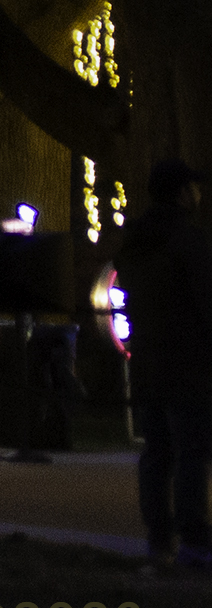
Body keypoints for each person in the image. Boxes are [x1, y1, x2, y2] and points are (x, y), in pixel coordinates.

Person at [112, 157, 212, 569]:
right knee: (192, 452)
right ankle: (195, 542)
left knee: (157, 452)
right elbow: (205, 302)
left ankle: (159, 537)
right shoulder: (188, 241)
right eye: (194, 187)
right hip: (188, 361)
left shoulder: (134, 242)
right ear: (183, 193)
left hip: (147, 359)